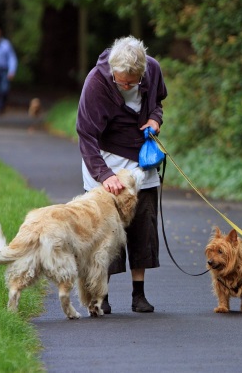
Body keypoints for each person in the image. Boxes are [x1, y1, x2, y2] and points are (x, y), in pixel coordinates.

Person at [76, 36, 167, 314]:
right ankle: (102, 295)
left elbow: (157, 103)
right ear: (112, 70)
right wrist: (105, 175)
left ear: (142, 72)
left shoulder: (152, 69)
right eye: (122, 81)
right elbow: (86, 134)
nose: (127, 86)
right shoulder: (96, 82)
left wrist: (155, 119)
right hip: (106, 158)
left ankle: (139, 294)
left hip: (141, 160)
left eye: (132, 82)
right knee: (106, 231)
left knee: (143, 222)